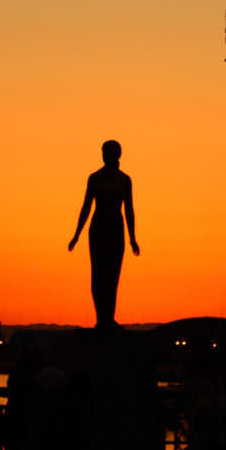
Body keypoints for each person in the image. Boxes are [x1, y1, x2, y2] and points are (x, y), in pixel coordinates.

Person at [68, 139, 139, 331]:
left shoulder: (125, 180)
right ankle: (101, 319)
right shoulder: (95, 178)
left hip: (116, 229)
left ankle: (108, 318)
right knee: (98, 275)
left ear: (117, 155)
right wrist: (76, 235)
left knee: (113, 276)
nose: (105, 155)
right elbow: (86, 207)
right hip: (99, 228)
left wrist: (133, 238)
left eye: (108, 152)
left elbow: (129, 209)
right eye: (103, 152)